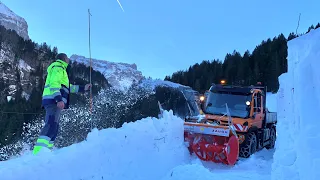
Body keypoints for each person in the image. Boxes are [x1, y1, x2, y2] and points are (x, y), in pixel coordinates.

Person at [33, 53, 91, 155]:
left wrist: (83, 88)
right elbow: (54, 84)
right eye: (67, 58)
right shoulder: (58, 67)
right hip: (53, 101)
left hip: (53, 101)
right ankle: (38, 153)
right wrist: (58, 99)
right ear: (64, 59)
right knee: (51, 124)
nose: (69, 60)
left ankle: (46, 151)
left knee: (54, 126)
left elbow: (68, 88)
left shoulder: (61, 70)